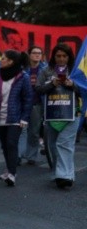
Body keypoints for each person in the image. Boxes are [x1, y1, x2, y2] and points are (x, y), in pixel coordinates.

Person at [0, 50, 33, 186]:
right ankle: (8, 169)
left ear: (10, 61)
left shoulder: (23, 77)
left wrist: (24, 118)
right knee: (5, 145)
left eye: (2, 58)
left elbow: (28, 99)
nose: (0, 60)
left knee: (11, 143)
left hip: (15, 118)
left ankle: (12, 174)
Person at [35, 44, 81, 189]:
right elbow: (38, 88)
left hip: (72, 112)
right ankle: (59, 173)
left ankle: (65, 176)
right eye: (58, 56)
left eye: (64, 56)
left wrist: (72, 84)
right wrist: (51, 84)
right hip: (52, 113)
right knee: (53, 145)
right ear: (53, 56)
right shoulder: (46, 70)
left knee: (64, 143)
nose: (61, 59)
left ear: (69, 57)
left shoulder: (76, 71)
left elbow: (84, 90)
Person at [19, 45, 47, 166]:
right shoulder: (23, 69)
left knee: (34, 132)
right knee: (21, 129)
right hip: (23, 103)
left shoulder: (45, 69)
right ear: (29, 55)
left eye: (39, 53)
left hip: (37, 103)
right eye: (34, 53)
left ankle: (31, 156)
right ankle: (18, 155)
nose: (37, 55)